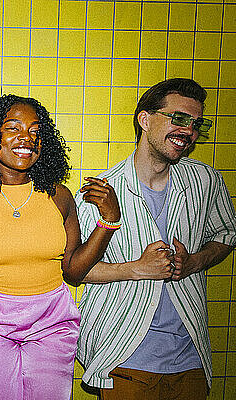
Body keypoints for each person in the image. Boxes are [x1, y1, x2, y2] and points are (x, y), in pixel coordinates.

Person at [0, 94, 121, 399]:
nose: (26, 138)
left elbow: (74, 271)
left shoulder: (59, 196)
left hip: (52, 321)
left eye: (35, 131)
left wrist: (109, 220)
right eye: (13, 128)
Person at [75, 78, 236, 400]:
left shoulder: (205, 180)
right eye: (178, 118)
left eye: (196, 124)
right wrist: (138, 268)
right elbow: (78, 270)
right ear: (145, 119)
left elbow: (227, 233)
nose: (188, 131)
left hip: (191, 357)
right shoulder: (100, 192)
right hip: (123, 354)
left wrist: (195, 261)